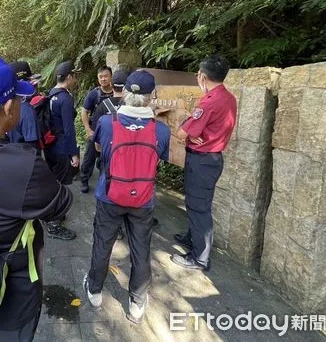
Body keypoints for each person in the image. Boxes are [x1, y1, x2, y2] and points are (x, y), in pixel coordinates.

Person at [0, 57, 73, 342]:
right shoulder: (22, 165)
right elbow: (61, 203)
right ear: (8, 108)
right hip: (11, 290)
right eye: (18, 99)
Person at [83, 70, 170, 324]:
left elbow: (99, 150)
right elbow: (159, 160)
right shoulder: (161, 130)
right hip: (143, 200)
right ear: (151, 96)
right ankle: (136, 303)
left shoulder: (107, 123)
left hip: (110, 195)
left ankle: (95, 291)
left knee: (103, 242)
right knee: (141, 249)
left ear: (125, 93)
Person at [171, 55, 237, 272]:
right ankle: (192, 238)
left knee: (199, 208)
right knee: (197, 203)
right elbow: (196, 130)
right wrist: (193, 131)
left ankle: (199, 258)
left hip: (202, 161)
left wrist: (188, 129)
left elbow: (181, 134)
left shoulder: (209, 102)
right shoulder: (228, 98)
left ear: (203, 77)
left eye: (198, 74)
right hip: (212, 159)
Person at [44, 60, 80, 240]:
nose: (75, 79)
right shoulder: (65, 98)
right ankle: (54, 223)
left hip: (50, 144)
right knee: (60, 184)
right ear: (69, 77)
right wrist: (74, 153)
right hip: (62, 146)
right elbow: (69, 129)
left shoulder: (51, 93)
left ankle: (53, 214)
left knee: (53, 179)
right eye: (74, 76)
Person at [80, 66, 114, 193]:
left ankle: (104, 181)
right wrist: (88, 129)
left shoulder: (116, 92)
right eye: (101, 77)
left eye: (106, 76)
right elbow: (84, 112)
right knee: (89, 157)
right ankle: (84, 180)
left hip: (111, 134)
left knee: (106, 159)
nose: (103, 79)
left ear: (111, 77)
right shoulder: (94, 94)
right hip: (95, 132)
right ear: (98, 78)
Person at [7, 61, 40, 151]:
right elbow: (33, 147)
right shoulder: (26, 109)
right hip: (27, 159)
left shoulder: (6, 106)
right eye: (30, 80)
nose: (33, 83)